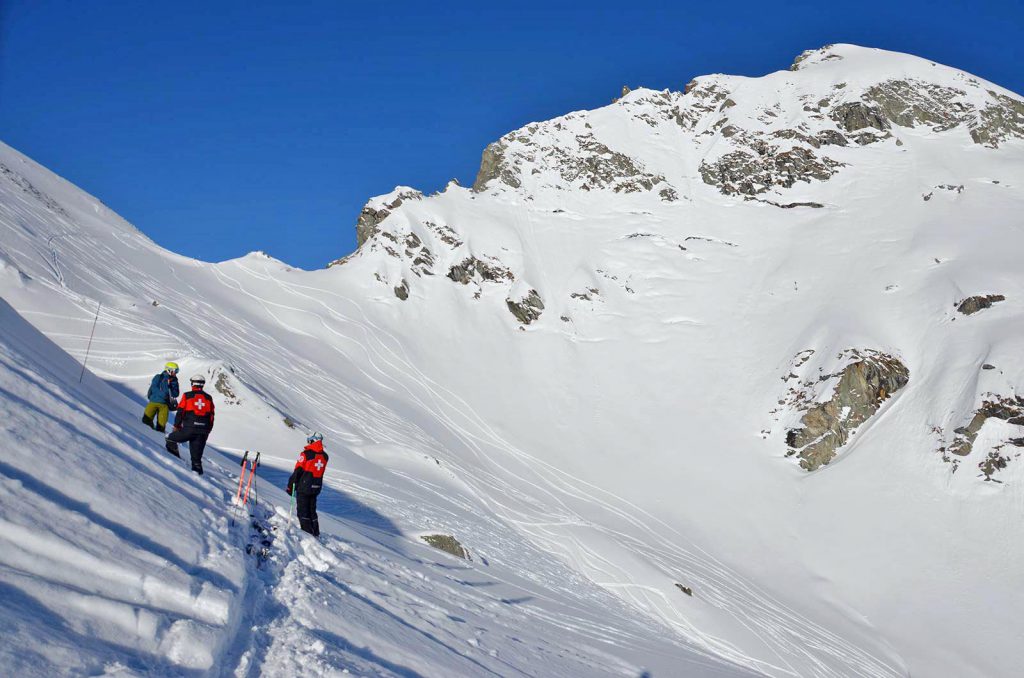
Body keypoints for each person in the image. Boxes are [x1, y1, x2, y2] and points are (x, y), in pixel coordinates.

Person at [166, 374, 215, 475]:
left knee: (170, 438)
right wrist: (207, 431)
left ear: (193, 384)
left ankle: (175, 461)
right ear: (202, 385)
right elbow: (211, 417)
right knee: (196, 461)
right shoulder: (209, 398)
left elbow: (180, 412)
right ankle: (200, 479)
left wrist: (176, 426)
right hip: (203, 431)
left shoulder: (187, 396)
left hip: (188, 429)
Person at [286, 432, 328, 537]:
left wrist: (290, 486)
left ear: (313, 440)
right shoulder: (325, 456)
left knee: (303, 511)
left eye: (309, 440)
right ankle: (315, 532)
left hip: (304, 487)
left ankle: (308, 534)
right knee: (312, 510)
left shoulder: (306, 454)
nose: (308, 442)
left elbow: (298, 471)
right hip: (316, 486)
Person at [142, 362, 180, 433]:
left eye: (177, 371)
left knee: (161, 425)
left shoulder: (174, 381)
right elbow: (154, 388)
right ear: (169, 370)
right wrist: (164, 395)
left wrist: (173, 384)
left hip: (164, 405)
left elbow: (176, 394)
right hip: (153, 402)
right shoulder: (158, 377)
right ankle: (148, 433)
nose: (176, 373)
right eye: (175, 371)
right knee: (146, 420)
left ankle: (157, 437)